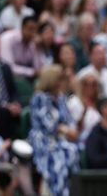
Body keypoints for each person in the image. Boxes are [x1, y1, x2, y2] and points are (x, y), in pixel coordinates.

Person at [28, 65, 79, 196]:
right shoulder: (39, 98)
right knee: (59, 158)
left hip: (61, 138)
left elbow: (69, 119)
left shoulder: (61, 98)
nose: (61, 82)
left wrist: (71, 129)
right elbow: (48, 124)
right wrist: (66, 130)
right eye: (59, 79)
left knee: (73, 150)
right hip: (43, 138)